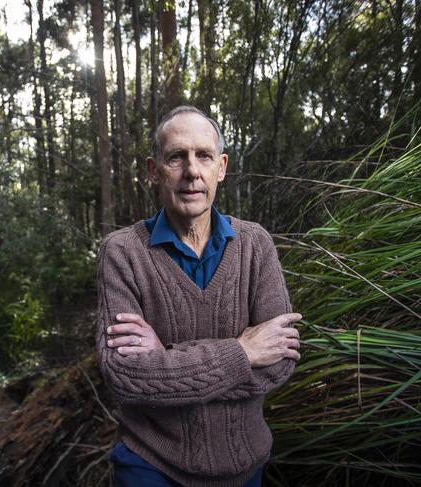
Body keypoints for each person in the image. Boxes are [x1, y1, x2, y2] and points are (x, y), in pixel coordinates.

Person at [96, 105, 301, 487]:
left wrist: (164, 358)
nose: (192, 171)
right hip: (151, 464)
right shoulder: (121, 252)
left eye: (204, 156)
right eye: (177, 157)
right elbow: (122, 376)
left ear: (220, 167)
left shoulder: (256, 244)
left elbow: (280, 363)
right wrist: (243, 352)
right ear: (153, 171)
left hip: (244, 465)